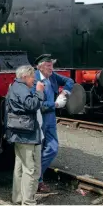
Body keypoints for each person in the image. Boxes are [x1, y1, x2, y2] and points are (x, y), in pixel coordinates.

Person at [32, 54, 74, 193]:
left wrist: (65, 93)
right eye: (49, 66)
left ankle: (35, 176)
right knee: (37, 150)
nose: (52, 68)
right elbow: (37, 104)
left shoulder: (53, 76)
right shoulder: (33, 80)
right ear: (41, 67)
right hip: (38, 119)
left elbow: (70, 80)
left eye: (52, 65)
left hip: (50, 119)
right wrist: (55, 104)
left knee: (52, 148)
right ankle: (37, 181)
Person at [5, 65, 45, 205]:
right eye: (32, 77)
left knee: (20, 167)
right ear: (25, 76)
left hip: (20, 133)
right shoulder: (22, 88)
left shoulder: (15, 86)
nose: (34, 80)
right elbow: (31, 105)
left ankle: (18, 198)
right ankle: (28, 202)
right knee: (31, 169)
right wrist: (39, 92)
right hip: (27, 135)